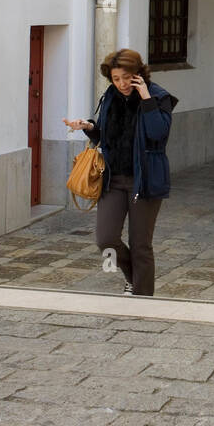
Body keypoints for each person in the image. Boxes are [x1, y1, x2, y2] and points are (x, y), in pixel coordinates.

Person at [63, 49, 178, 296]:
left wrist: (145, 97)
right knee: (106, 240)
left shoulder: (158, 97)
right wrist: (88, 127)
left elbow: (158, 134)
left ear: (138, 74)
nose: (122, 84)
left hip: (144, 180)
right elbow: (105, 134)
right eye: (116, 79)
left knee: (140, 245)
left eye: (127, 77)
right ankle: (133, 279)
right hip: (113, 180)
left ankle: (143, 297)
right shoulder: (111, 97)